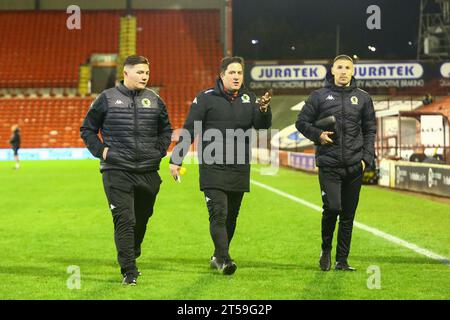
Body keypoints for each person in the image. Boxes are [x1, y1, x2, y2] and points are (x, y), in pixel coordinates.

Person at [169, 56, 272, 275]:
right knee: (218, 213)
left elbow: (262, 126)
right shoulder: (205, 98)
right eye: (232, 73)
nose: (236, 76)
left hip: (239, 166)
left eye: (239, 73)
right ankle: (225, 260)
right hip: (212, 166)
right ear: (222, 75)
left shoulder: (250, 97)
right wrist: (176, 159)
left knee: (231, 216)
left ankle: (218, 255)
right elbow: (189, 130)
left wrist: (263, 110)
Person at [80, 55, 173, 285]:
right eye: (140, 72)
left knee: (141, 219)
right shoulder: (107, 98)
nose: (145, 76)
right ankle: (129, 271)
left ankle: (133, 251)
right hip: (116, 170)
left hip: (148, 171)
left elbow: (166, 130)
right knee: (124, 219)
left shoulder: (155, 100)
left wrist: (159, 151)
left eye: (147, 73)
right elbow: (88, 129)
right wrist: (102, 152)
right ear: (126, 73)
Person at [295, 54, 376, 272]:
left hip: (354, 165)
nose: (343, 71)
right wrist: (318, 135)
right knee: (333, 207)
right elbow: (301, 122)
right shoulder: (319, 96)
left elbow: (370, 130)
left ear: (353, 71)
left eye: (347, 67)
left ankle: (342, 260)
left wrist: (365, 159)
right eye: (339, 67)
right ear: (332, 70)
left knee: (348, 215)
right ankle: (325, 249)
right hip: (329, 164)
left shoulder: (363, 98)